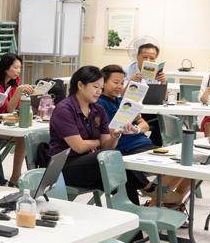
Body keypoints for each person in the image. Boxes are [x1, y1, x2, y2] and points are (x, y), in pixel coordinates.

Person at [99, 65, 186, 243]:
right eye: (115, 82)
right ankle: (153, 192)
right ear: (103, 83)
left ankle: (158, 197)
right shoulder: (101, 105)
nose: (119, 86)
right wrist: (122, 130)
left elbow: (145, 124)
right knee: (126, 177)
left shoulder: (123, 102)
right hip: (125, 149)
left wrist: (136, 129)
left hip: (144, 144)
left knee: (183, 162)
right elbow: (107, 134)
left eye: (122, 82)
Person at [48, 66, 142, 204]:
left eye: (101, 88)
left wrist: (116, 136)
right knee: (109, 160)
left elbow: (107, 145)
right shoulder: (64, 109)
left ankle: (132, 211)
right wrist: (99, 142)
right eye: (95, 87)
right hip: (63, 168)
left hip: (89, 164)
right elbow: (79, 147)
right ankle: (148, 188)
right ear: (80, 85)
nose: (99, 91)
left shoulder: (98, 110)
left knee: (116, 166)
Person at [0, 53, 35, 186]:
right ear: (6, 68)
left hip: (6, 123)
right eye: (16, 68)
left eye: (20, 68)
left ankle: (17, 176)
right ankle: (15, 176)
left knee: (27, 136)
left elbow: (15, 108)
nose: (18, 71)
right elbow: (8, 108)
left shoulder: (14, 82)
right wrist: (18, 92)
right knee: (23, 137)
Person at [124, 42, 166, 146]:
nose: (148, 61)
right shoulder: (126, 71)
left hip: (150, 110)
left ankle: (154, 146)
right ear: (137, 57)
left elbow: (162, 99)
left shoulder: (157, 71)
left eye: (152, 58)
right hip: (130, 110)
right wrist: (131, 82)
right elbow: (119, 95)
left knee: (163, 121)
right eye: (145, 57)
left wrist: (163, 83)